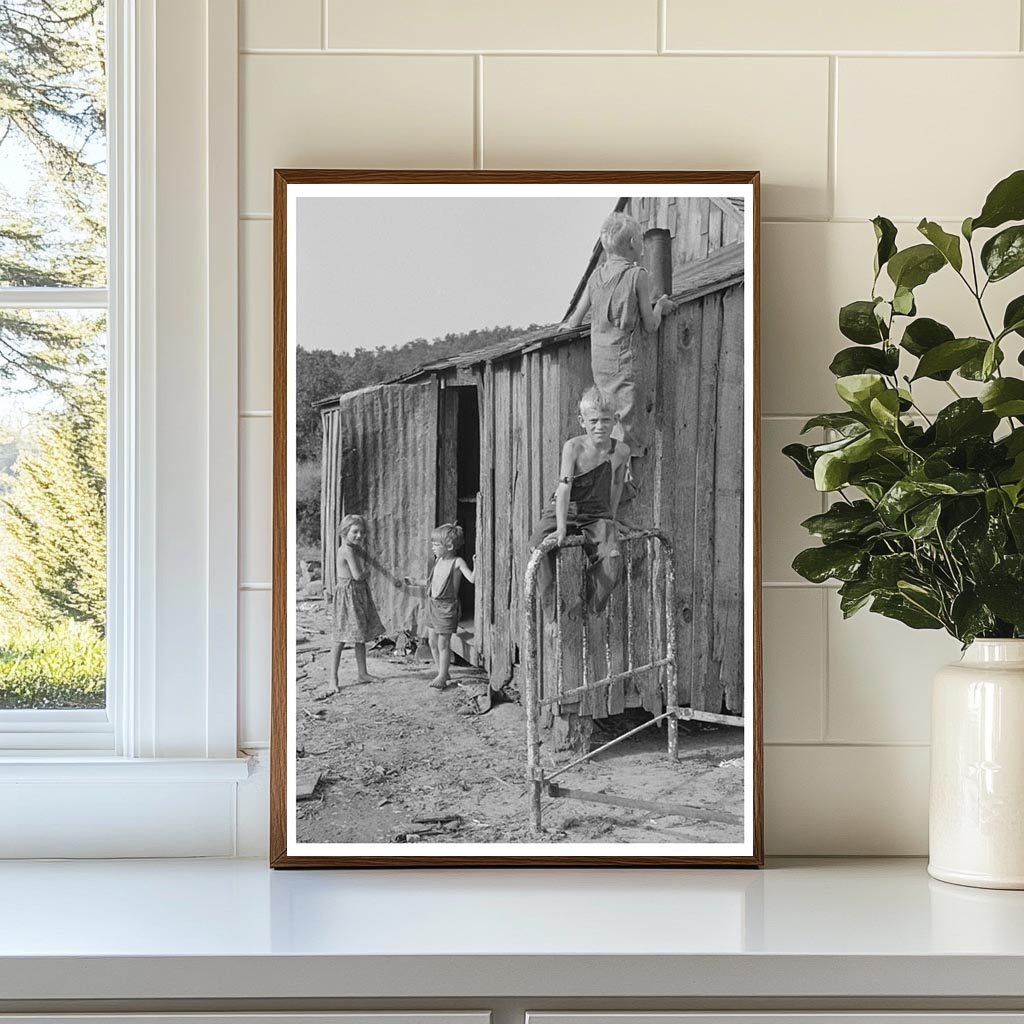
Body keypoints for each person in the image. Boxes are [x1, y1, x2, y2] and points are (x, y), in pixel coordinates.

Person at [560, 211, 675, 455]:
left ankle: (607, 474)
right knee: (627, 427)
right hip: (624, 365)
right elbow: (650, 325)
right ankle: (624, 482)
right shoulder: (637, 275)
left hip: (600, 364)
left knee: (607, 421)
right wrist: (661, 307)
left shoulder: (596, 276)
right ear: (633, 243)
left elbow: (575, 320)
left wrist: (567, 327)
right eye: (641, 241)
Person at [529, 386, 630, 618]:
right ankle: (552, 612)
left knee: (613, 558)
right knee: (537, 547)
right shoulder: (573, 447)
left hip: (596, 512)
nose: (600, 426)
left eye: (606, 420)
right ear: (582, 421)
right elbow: (564, 488)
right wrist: (562, 527)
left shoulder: (621, 451)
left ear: (615, 420)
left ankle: (586, 607)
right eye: (593, 420)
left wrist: (611, 519)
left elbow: (616, 485)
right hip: (564, 508)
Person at [406, 524, 476, 690]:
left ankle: (442, 676)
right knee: (432, 641)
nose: (433, 548)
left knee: (443, 643)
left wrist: (477, 564)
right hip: (432, 605)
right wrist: (415, 582)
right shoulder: (439, 561)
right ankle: (442, 671)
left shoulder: (457, 562)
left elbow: (472, 579)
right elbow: (432, 582)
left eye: (436, 545)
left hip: (446, 607)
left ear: (449, 546)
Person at [322, 513, 386, 694]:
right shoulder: (347, 551)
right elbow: (357, 575)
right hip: (348, 596)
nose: (359, 536)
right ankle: (332, 679)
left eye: (362, 533)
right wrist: (368, 572)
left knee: (360, 635)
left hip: (357, 594)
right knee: (340, 638)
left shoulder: (354, 549)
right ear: (344, 532)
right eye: (355, 532)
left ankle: (363, 673)